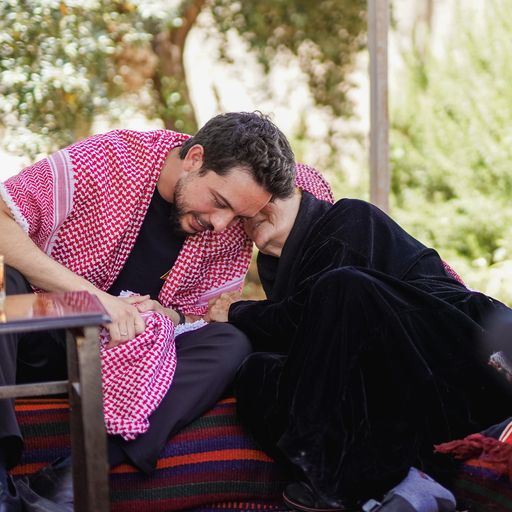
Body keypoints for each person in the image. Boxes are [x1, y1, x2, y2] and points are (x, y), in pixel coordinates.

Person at [0, 111, 297, 511]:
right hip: (43, 335)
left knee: (230, 340)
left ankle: (66, 479)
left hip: (137, 360)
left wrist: (167, 316)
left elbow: (202, 316)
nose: (221, 224)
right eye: (220, 203)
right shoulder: (109, 159)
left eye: (237, 216)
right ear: (195, 158)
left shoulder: (225, 228)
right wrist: (93, 300)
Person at [207, 185, 512, 512]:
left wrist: (237, 311)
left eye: (262, 200)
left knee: (342, 287)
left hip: (469, 354)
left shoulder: (349, 218)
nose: (251, 215)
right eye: (241, 215)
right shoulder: (284, 274)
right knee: (258, 374)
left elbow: (306, 315)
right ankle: (390, 487)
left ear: (292, 189)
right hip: (399, 393)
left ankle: (345, 481)